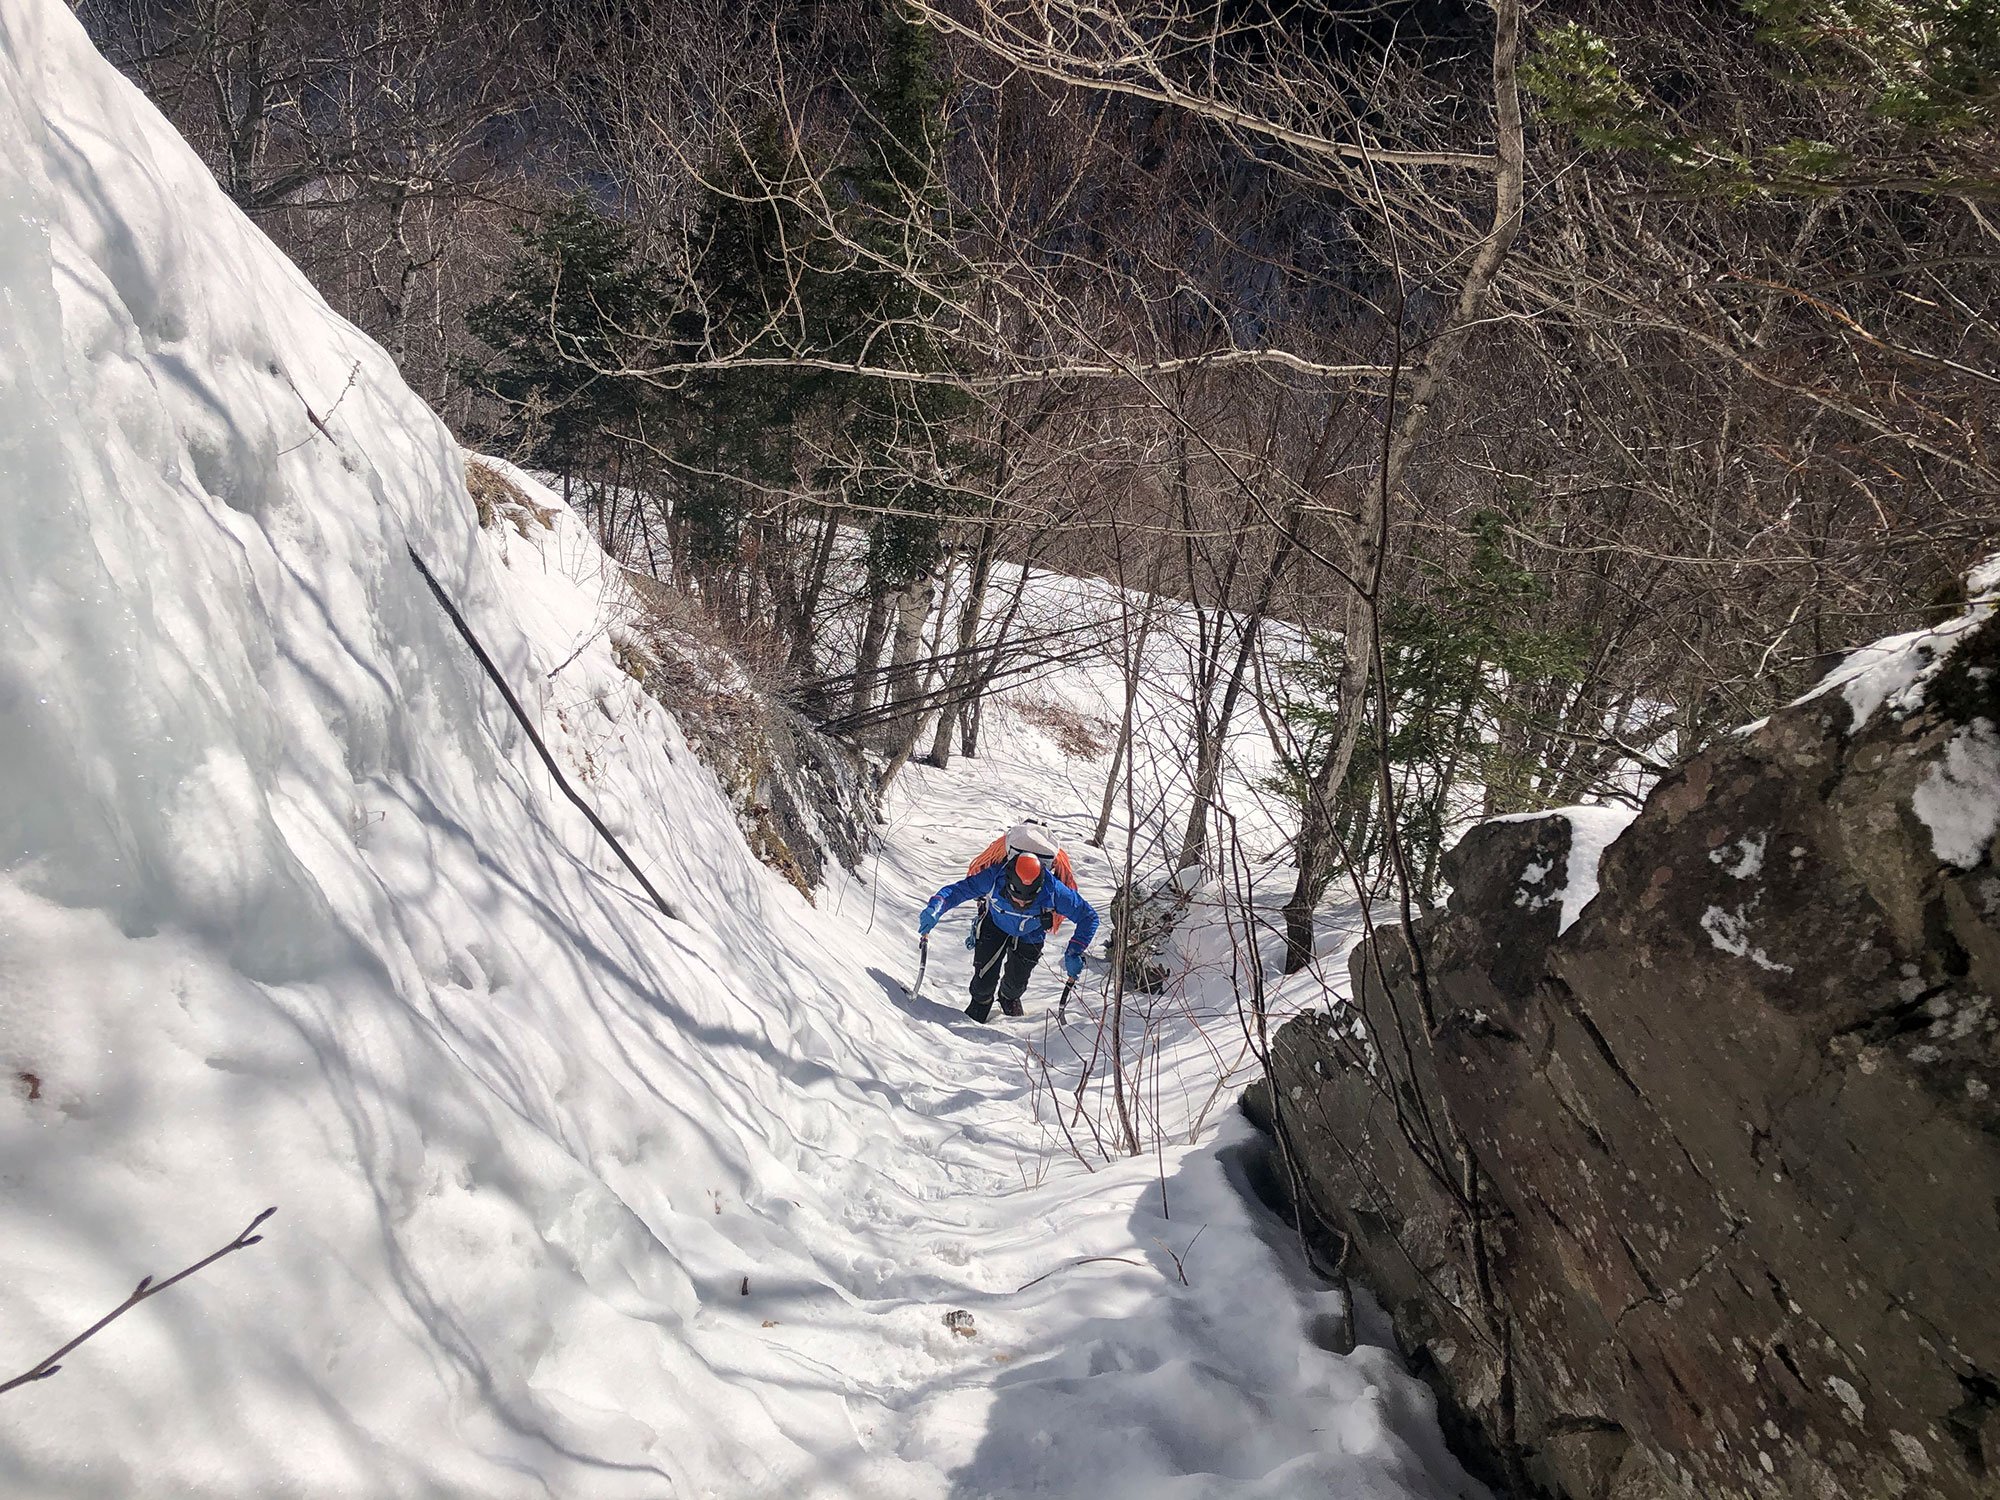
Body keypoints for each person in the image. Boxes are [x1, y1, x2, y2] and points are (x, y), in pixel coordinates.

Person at [918, 851, 1099, 1023]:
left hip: (1032, 933)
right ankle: (979, 1006)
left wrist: (1075, 950)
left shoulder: (1055, 891)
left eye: (1028, 901)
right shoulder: (994, 877)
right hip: (994, 924)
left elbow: (1088, 916)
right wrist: (936, 907)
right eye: (1017, 898)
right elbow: (957, 891)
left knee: (1016, 985)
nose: (1021, 903)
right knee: (983, 985)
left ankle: (1009, 1000)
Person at [959, 819, 1077, 948]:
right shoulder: (1056, 857)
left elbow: (979, 868)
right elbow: (1068, 886)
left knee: (986, 966)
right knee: (1021, 965)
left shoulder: (1004, 847)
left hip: (995, 920)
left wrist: (981, 895)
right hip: (1033, 927)